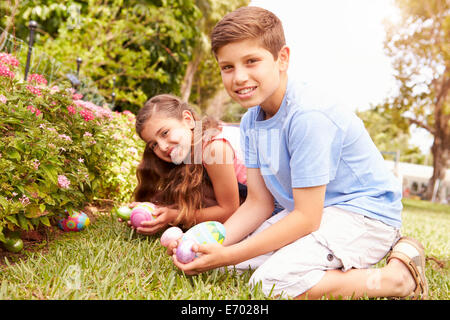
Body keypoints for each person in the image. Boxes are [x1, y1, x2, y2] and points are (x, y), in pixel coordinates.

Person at [169, 6, 428, 300]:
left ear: (282, 59)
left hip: (364, 216)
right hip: (314, 214)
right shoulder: (251, 121)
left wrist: (226, 254)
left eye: (251, 61)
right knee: (227, 268)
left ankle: (396, 278)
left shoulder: (308, 115)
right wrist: (209, 247)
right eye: (227, 67)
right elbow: (258, 203)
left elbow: (307, 218)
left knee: (270, 284)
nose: (239, 77)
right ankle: (323, 266)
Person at [128, 94, 247, 233]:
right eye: (153, 145)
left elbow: (229, 211)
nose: (162, 146)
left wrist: (175, 216)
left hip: (273, 205)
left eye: (165, 133)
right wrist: (152, 211)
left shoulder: (214, 149)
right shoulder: (189, 150)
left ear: (188, 120)